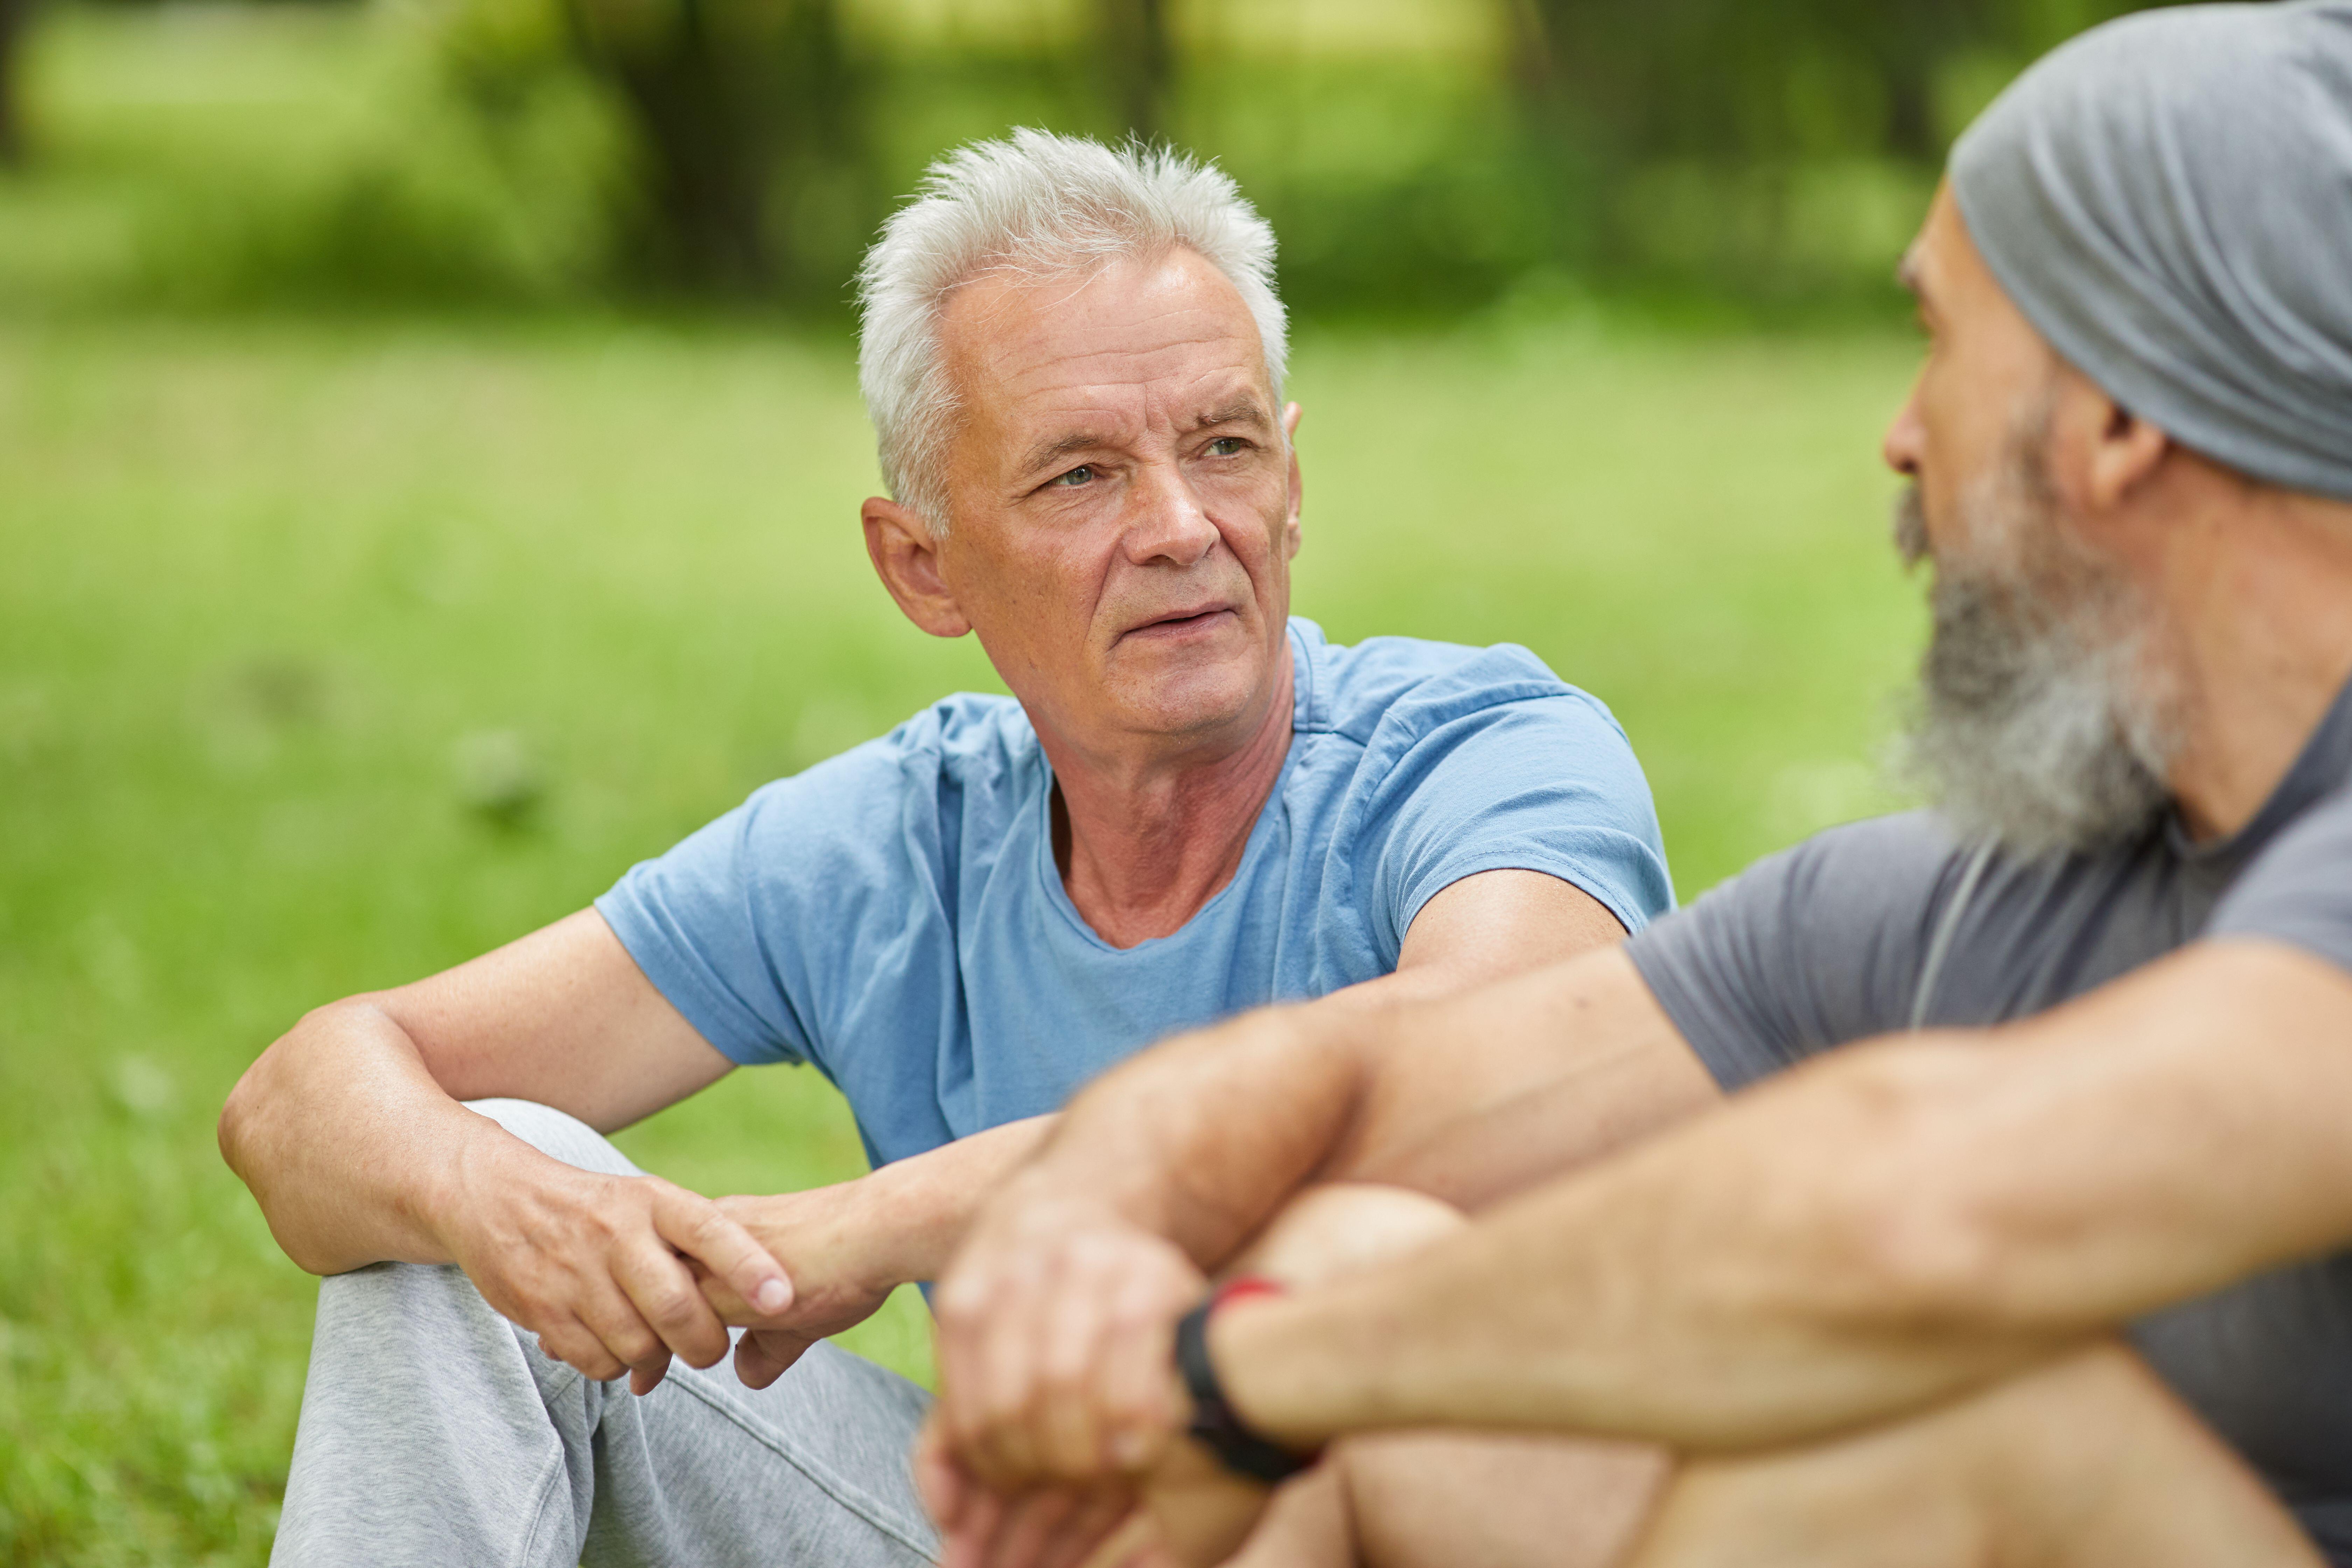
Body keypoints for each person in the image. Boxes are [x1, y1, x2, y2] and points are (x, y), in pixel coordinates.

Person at [919, 6, 2352, 1566]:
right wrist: (1098, 1211)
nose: (1899, 434)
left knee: (1984, 1440)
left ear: (2124, 417)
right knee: (1349, 1247)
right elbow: (1376, 1087)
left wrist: (1247, 1365)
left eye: (1941, 341)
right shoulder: (2012, 892)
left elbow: (1912, 1217)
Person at [215, 130, 1675, 1567]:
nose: (1180, 527)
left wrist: (884, 1220)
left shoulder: (1483, 752)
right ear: (925, 566)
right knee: (487, 1198)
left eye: (1223, 447)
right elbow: (305, 1101)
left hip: (1418, 1520)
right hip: (1036, 1535)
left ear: (1292, 483)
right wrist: (504, 1208)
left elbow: (1500, 1054)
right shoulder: (897, 839)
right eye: (1080, 478)